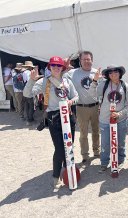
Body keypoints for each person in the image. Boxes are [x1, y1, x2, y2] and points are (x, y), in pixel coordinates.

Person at [23, 56, 79, 188]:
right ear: (49, 67)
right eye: (53, 66)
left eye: (58, 66)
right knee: (59, 148)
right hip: (54, 118)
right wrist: (31, 80)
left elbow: (76, 96)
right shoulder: (45, 82)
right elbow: (27, 94)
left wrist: (71, 101)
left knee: (69, 145)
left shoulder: (67, 81)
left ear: (62, 67)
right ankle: (55, 176)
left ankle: (68, 170)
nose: (56, 68)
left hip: (68, 116)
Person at [88, 65, 128, 173]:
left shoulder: (125, 86)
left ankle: (120, 161)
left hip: (121, 120)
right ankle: (104, 163)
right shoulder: (103, 84)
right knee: (105, 143)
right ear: (108, 75)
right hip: (105, 119)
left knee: (121, 142)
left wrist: (120, 114)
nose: (113, 74)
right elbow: (91, 94)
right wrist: (94, 80)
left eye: (116, 71)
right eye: (110, 72)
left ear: (120, 73)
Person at [66, 51, 100, 163]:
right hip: (81, 107)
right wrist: (64, 67)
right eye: (84, 59)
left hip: (96, 107)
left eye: (88, 59)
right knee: (83, 132)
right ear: (80, 61)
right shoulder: (72, 73)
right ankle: (85, 155)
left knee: (96, 131)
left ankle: (97, 151)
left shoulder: (97, 73)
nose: (86, 61)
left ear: (92, 60)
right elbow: (59, 77)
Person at [22, 61, 36, 125]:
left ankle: (27, 118)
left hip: (25, 90)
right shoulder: (30, 73)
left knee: (26, 106)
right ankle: (30, 119)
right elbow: (30, 82)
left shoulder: (24, 72)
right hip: (29, 91)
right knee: (31, 106)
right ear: (30, 67)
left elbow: (25, 82)